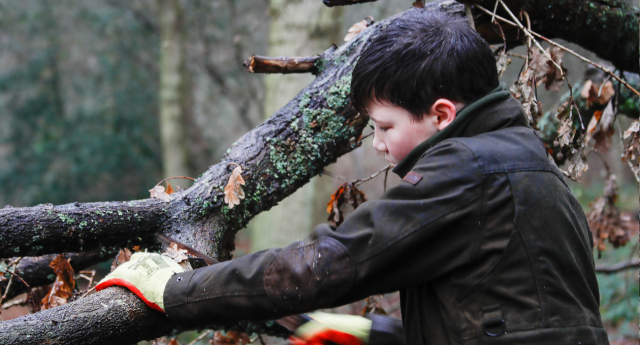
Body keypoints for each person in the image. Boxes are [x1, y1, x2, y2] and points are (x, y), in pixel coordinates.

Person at [97, 9, 608, 345]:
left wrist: (176, 290)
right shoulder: (528, 165)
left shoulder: (469, 171)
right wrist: (376, 334)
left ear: (443, 114)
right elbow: (513, 318)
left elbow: (326, 265)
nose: (380, 144)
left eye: (385, 126)